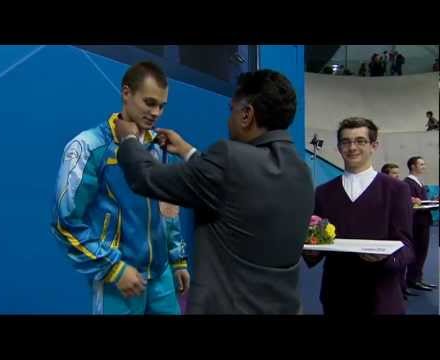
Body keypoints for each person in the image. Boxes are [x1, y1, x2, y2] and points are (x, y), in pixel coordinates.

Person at [113, 69, 315, 314]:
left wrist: (129, 141)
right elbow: (238, 190)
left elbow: (145, 178)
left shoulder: (229, 159)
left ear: (246, 115)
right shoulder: (301, 172)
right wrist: (189, 152)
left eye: (231, 110)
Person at [51, 61, 190, 315]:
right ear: (126, 93)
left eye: (161, 106)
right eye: (150, 103)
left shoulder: (160, 146)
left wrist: (177, 258)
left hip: (161, 275)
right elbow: (65, 222)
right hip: (120, 279)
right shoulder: (89, 146)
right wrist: (113, 267)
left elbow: (168, 208)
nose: (156, 113)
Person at [304, 118, 414, 314]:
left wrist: (386, 258)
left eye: (360, 141)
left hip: (381, 295)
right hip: (336, 294)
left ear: (374, 146)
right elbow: (317, 241)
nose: (352, 147)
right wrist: (311, 251)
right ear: (339, 147)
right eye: (346, 141)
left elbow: (406, 247)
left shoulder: (396, 190)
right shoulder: (323, 192)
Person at [381, 162, 419, 299]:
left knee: (402, 261)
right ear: (386, 174)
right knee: (391, 264)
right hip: (387, 232)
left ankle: (402, 287)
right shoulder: (382, 189)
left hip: (401, 231)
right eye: (394, 173)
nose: (397, 176)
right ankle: (395, 290)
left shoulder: (401, 188)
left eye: (398, 173)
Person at [404, 156, 437, 291]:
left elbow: (421, 202)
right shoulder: (408, 183)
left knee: (422, 252)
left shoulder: (418, 182)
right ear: (413, 166)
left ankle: (418, 278)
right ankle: (413, 279)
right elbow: (410, 204)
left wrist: (433, 201)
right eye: (421, 164)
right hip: (416, 223)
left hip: (423, 221)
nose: (424, 167)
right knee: (417, 252)